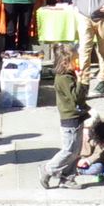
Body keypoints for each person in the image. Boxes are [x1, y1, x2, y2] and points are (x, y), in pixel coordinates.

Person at [41, 43, 88, 189]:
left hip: (77, 116)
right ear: (65, 62)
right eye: (75, 59)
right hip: (70, 118)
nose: (78, 62)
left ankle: (67, 177)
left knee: (76, 151)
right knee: (69, 150)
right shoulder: (64, 79)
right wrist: (81, 81)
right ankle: (48, 169)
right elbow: (76, 97)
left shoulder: (69, 75)